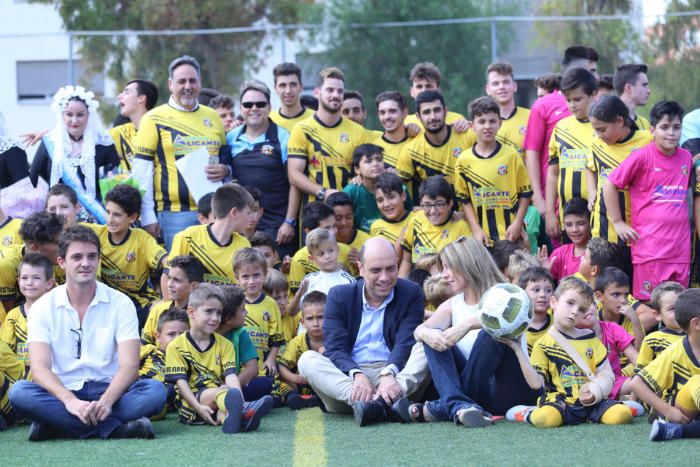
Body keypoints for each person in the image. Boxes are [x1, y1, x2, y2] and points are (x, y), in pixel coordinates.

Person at [9, 225, 167, 440]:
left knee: (155, 391)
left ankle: (58, 428)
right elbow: (39, 368)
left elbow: (129, 366)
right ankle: (117, 429)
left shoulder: (121, 303)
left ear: (98, 259)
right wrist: (71, 402)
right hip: (63, 393)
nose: (86, 263)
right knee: (20, 393)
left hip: (111, 391)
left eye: (92, 256)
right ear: (62, 262)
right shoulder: (43, 307)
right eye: (77, 257)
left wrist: (107, 401)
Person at [410, 237, 541, 426]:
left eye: (449, 267)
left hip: (508, 390)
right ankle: (458, 406)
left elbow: (510, 319)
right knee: (433, 338)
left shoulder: (506, 293)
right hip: (476, 395)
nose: (444, 275)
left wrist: (466, 325)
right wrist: (425, 333)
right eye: (443, 268)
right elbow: (418, 331)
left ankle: (444, 407)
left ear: (468, 264)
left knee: (490, 333)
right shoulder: (452, 305)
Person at [298, 237, 428, 426]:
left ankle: (374, 407)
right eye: (376, 270)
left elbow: (406, 340)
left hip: (395, 377)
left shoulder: (411, 292)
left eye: (391, 269)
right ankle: (381, 404)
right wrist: (357, 375)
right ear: (360, 268)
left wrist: (388, 374)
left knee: (427, 346)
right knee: (307, 360)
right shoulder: (339, 295)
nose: (384, 277)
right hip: (351, 384)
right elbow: (335, 347)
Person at [131, 55, 230, 249]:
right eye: (181, 81)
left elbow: (226, 159)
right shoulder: (153, 118)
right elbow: (141, 172)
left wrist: (226, 170)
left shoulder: (213, 117)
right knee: (179, 273)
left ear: (199, 83)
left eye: (192, 80)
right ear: (170, 84)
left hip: (214, 212)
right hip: (173, 214)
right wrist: (148, 217)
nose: (188, 86)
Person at [603, 101, 691, 300]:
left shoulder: (686, 158)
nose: (671, 133)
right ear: (652, 130)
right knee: (650, 309)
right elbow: (609, 184)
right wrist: (617, 222)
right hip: (650, 251)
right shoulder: (642, 157)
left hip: (680, 251)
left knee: (677, 308)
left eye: (676, 128)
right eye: (664, 127)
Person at [518, 277, 633, 428]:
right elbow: (536, 384)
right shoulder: (543, 344)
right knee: (544, 419)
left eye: (581, 310)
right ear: (554, 302)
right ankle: (528, 413)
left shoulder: (592, 341)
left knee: (622, 415)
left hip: (591, 403)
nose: (574, 312)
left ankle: (618, 407)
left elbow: (606, 375)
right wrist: (517, 350)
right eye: (570, 303)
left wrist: (595, 391)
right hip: (560, 403)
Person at [164, 283, 272, 433]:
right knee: (221, 392)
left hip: (220, 396)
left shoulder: (225, 344)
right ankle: (243, 411)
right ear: (191, 312)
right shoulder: (176, 346)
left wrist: (238, 400)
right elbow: (181, 385)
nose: (215, 318)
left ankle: (236, 419)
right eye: (209, 311)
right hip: (191, 403)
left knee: (225, 407)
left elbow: (231, 376)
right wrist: (199, 407)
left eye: (219, 313)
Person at [227, 80, 299, 259]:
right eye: (248, 104)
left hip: (278, 227)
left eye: (260, 104)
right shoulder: (230, 138)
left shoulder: (284, 137)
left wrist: (289, 221)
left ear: (269, 107)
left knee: (277, 280)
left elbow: (295, 183)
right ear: (241, 108)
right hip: (241, 226)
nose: (254, 108)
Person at [524, 45, 599, 215]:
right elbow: (532, 153)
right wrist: (539, 200)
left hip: (597, 206)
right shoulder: (543, 106)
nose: (596, 76)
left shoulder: (602, 111)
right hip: (559, 205)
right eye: (591, 71)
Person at [30, 85, 120, 224]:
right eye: (69, 114)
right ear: (62, 115)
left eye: (80, 114)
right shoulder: (50, 143)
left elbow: (114, 183)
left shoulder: (104, 144)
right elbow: (34, 181)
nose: (74, 120)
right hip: (56, 220)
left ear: (89, 115)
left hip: (96, 220)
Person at [455, 96, 532, 246]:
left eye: (492, 121)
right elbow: (465, 200)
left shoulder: (511, 155)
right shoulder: (464, 160)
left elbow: (525, 194)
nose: (487, 126)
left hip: (510, 234)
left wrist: (517, 223)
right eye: (482, 122)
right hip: (482, 237)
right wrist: (476, 229)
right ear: (472, 126)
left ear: (500, 123)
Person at [287, 67, 368, 205]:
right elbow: (294, 175)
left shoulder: (358, 131)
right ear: (317, 92)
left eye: (340, 91)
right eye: (330, 90)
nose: (335, 95)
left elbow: (365, 171)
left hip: (349, 212)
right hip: (314, 213)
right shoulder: (302, 129)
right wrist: (323, 192)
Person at [88, 184, 167, 324]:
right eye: (108, 212)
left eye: (117, 214)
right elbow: (61, 230)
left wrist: (165, 301)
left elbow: (168, 261)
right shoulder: (95, 233)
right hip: (104, 305)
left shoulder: (142, 239)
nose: (110, 219)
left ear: (132, 217)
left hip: (138, 305)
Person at [631, 288, 700, 442]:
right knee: (697, 380)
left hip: (694, 419)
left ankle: (677, 431)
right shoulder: (675, 352)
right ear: (696, 323)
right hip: (681, 410)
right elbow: (637, 383)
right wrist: (668, 410)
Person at [586, 95, 653, 250]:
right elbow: (589, 167)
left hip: (638, 229)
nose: (598, 135)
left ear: (620, 121)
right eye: (595, 130)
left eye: (602, 130)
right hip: (604, 228)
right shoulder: (597, 144)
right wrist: (592, 190)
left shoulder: (648, 140)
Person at [544, 68, 598, 241]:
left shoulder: (604, 128)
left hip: (598, 215)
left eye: (577, 99)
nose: (572, 104)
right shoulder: (561, 128)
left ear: (594, 94)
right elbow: (553, 174)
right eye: (568, 100)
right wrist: (550, 213)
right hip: (568, 218)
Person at [167, 184, 253, 287]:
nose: (251, 218)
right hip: (193, 302)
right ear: (234, 212)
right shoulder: (188, 237)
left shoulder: (244, 244)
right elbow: (168, 277)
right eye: (248, 213)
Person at [396, 90, 475, 195]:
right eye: (426, 112)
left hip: (469, 210)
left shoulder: (469, 137)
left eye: (437, 110)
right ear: (418, 117)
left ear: (445, 112)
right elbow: (396, 186)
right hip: (433, 210)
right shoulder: (410, 151)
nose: (433, 117)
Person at [399, 176, 471, 276]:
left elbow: (467, 267)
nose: (433, 211)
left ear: (450, 203)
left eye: (439, 204)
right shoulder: (416, 221)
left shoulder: (461, 227)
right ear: (421, 203)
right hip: (418, 285)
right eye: (427, 205)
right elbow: (406, 261)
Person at [0, 253, 55, 378]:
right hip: (21, 384)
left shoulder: (58, 314)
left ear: (49, 283)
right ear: (18, 282)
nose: (29, 283)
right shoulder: (13, 317)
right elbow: (5, 354)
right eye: (24, 278)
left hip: (54, 381)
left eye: (36, 278)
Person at [233, 248, 284, 380]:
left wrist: (271, 360)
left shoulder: (271, 305)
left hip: (262, 366)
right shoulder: (232, 303)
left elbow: (276, 340)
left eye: (256, 275)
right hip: (236, 366)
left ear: (265, 274)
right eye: (245, 276)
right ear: (236, 277)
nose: (251, 281)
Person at [0, 212, 65, 311]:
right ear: (35, 247)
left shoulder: (60, 258)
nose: (63, 246)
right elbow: (7, 314)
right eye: (57, 243)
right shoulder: (6, 264)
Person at [217, 284, 271, 402]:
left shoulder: (240, 334)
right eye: (242, 310)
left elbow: (252, 368)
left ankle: (230, 400)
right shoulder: (206, 335)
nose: (246, 313)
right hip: (208, 388)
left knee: (264, 384)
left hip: (233, 385)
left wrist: (232, 389)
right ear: (228, 319)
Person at [288, 202, 354, 294]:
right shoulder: (299, 259)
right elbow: (297, 299)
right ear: (309, 231)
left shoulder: (348, 252)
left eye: (334, 226)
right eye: (327, 228)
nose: (334, 231)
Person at [287, 228, 355, 318]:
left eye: (331, 250)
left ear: (337, 249)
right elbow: (292, 312)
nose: (327, 256)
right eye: (321, 253)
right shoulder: (309, 280)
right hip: (309, 332)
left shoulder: (348, 281)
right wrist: (299, 294)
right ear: (312, 259)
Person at [277, 290, 326, 410]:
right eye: (310, 319)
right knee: (279, 382)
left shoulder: (335, 340)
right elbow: (281, 367)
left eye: (320, 317)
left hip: (326, 385)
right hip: (301, 386)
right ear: (302, 322)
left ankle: (320, 399)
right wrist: (295, 378)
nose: (315, 323)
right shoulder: (297, 342)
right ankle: (292, 397)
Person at [138, 307, 189, 418]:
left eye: (182, 334)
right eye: (171, 334)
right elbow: (124, 366)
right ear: (158, 337)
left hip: (159, 400)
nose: (177, 339)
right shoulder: (149, 350)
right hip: (136, 388)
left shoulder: (190, 364)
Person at [142, 255, 204, 346]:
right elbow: (143, 345)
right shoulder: (157, 310)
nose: (169, 285)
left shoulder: (201, 316)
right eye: (169, 278)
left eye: (177, 280)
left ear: (194, 286)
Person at [111, 79, 158, 174]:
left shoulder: (161, 130)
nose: (119, 96)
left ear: (141, 98)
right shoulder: (119, 132)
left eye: (127, 92)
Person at [484, 61, 530, 157]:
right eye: (496, 83)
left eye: (506, 82)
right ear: (488, 89)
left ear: (515, 86)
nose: (501, 87)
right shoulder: (481, 123)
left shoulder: (532, 117)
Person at [636, 281, 686, 370]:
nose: (680, 311)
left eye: (682, 306)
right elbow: (641, 371)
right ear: (658, 315)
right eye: (672, 308)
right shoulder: (652, 340)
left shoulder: (694, 337)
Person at [404, 62, 468, 130]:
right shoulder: (404, 123)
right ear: (412, 92)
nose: (424, 90)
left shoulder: (457, 120)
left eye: (429, 86)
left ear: (438, 90)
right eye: (419, 87)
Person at [343, 144, 389, 232]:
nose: (375, 164)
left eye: (379, 160)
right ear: (357, 169)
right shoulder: (351, 191)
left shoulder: (396, 186)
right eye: (368, 161)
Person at [370, 172, 414, 260]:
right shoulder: (377, 227)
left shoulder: (418, 217)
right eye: (380, 200)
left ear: (403, 196)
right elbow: (388, 260)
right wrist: (405, 233)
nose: (386, 204)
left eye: (391, 197)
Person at [548, 198, 591, 281]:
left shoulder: (596, 254)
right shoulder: (559, 253)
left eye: (581, 223)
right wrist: (545, 272)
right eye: (569, 225)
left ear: (590, 222)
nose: (574, 229)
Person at [372, 91, 413, 172]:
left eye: (392, 111)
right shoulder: (372, 146)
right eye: (382, 113)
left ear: (405, 113)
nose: (387, 117)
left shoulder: (417, 143)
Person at [270, 62, 314, 132]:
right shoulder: (268, 121)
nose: (288, 91)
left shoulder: (316, 119)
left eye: (293, 84)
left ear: (301, 87)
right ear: (275, 89)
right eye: (283, 85)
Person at [519, 267, 554, 354]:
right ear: (523, 293)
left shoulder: (557, 325)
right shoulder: (516, 327)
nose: (543, 295)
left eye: (548, 290)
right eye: (536, 290)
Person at [613, 64, 651, 131]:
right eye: (644, 85)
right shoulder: (609, 122)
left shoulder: (645, 124)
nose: (649, 91)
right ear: (629, 88)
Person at [264, 269, 297, 343]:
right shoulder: (260, 320)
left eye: (285, 296)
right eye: (276, 298)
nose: (283, 303)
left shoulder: (292, 315)